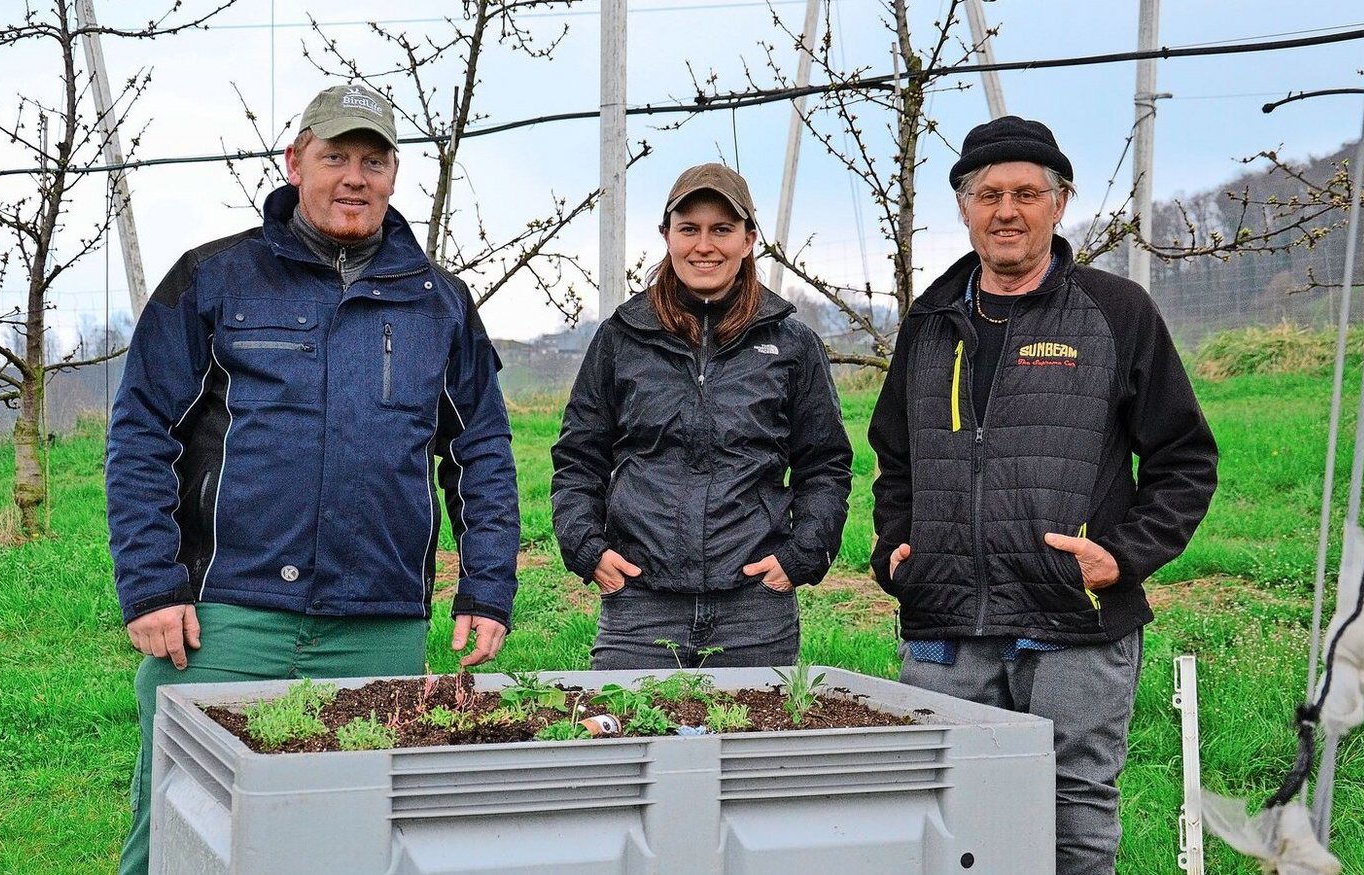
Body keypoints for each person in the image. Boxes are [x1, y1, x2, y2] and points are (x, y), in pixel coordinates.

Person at [105, 83, 519, 874]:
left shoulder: (440, 303)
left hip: (378, 621)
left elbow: (483, 452)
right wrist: (152, 584)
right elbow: (141, 432)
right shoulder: (213, 279)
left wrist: (487, 585)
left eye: (373, 159)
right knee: (178, 820)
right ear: (296, 162)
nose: (354, 177)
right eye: (335, 157)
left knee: (355, 836)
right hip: (225, 620)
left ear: (395, 174)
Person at [868, 116, 1218, 875]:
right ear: (962, 206)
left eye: (1027, 192)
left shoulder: (1116, 313)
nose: (1007, 210)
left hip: (1073, 623)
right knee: (946, 818)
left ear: (1060, 204)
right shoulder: (928, 323)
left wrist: (1120, 558)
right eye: (988, 192)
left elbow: (1185, 458)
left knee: (1074, 818)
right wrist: (898, 550)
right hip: (946, 627)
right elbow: (895, 455)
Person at [551, 163, 853, 669]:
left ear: (749, 240)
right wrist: (587, 548)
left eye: (722, 229)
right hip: (639, 604)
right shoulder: (621, 339)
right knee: (631, 741)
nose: (704, 245)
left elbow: (824, 464)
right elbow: (579, 459)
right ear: (666, 236)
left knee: (755, 748)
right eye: (689, 229)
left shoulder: (791, 343)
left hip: (755, 605)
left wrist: (802, 554)